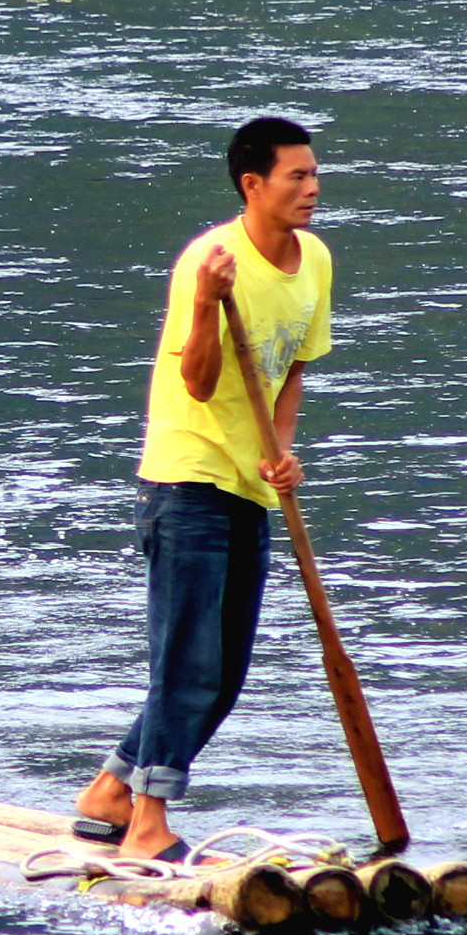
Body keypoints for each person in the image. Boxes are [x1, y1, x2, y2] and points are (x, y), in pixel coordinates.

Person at [73, 117, 330, 860]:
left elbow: (294, 369)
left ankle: (108, 793)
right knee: (187, 663)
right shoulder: (208, 261)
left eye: (315, 175)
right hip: (187, 481)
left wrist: (282, 453)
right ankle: (146, 828)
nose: (313, 189)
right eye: (297, 177)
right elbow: (196, 379)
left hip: (250, 486)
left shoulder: (313, 260)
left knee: (225, 675)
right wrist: (207, 305)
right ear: (253, 185)